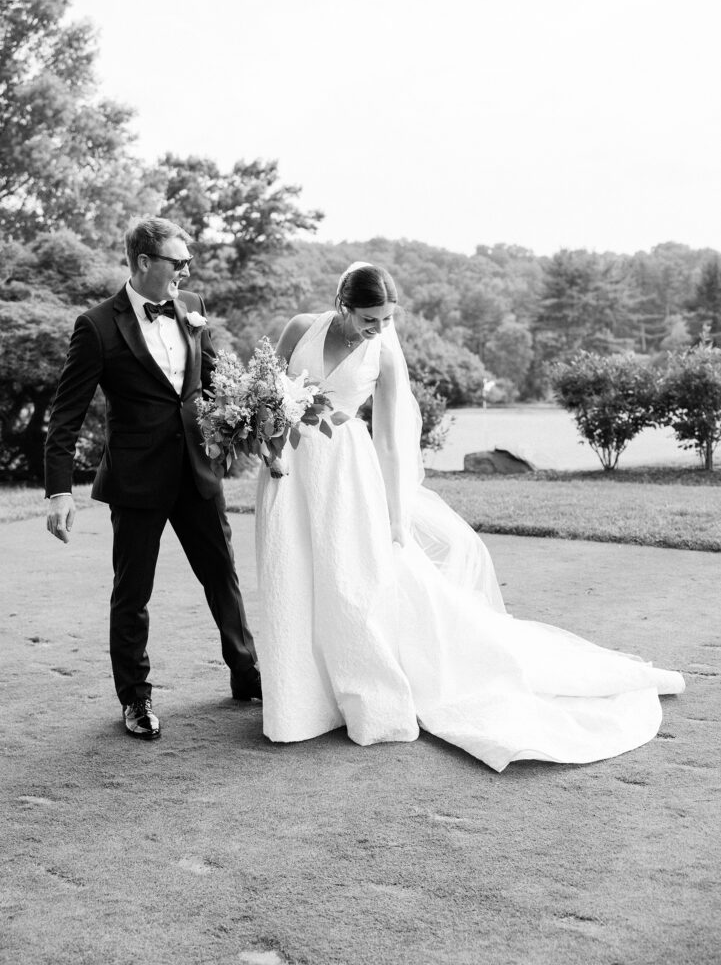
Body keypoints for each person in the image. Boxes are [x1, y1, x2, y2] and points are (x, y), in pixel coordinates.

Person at [254, 262, 684, 772]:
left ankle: (366, 698)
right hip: (287, 468)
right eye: (371, 319)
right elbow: (263, 392)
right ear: (343, 306)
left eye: (388, 319)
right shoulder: (301, 328)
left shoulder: (384, 353)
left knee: (349, 584)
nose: (380, 329)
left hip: (346, 472)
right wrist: (265, 441)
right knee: (291, 576)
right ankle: (299, 702)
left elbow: (391, 441)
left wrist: (395, 516)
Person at [45, 217, 260, 741]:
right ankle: (136, 700)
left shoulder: (193, 311)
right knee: (133, 592)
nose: (186, 270)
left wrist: (253, 423)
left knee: (222, 576)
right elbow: (65, 414)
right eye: (177, 262)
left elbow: (213, 384)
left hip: (197, 471)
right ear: (144, 262)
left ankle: (246, 673)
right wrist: (58, 490)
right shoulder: (95, 325)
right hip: (136, 479)